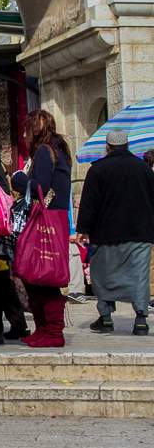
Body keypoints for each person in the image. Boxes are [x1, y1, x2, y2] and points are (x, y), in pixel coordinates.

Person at [74, 131, 154, 336]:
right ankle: (141, 320)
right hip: (140, 233)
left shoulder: (98, 170)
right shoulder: (144, 169)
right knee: (139, 276)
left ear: (107, 147)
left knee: (103, 275)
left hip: (106, 233)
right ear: (127, 146)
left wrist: (83, 229)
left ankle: (106, 318)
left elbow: (89, 203)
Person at [12, 109, 72, 348]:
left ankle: (54, 332)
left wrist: (18, 179)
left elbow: (41, 186)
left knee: (42, 276)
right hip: (55, 220)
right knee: (37, 277)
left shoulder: (45, 152)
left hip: (46, 222)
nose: (24, 135)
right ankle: (43, 329)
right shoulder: (57, 151)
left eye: (27, 129)